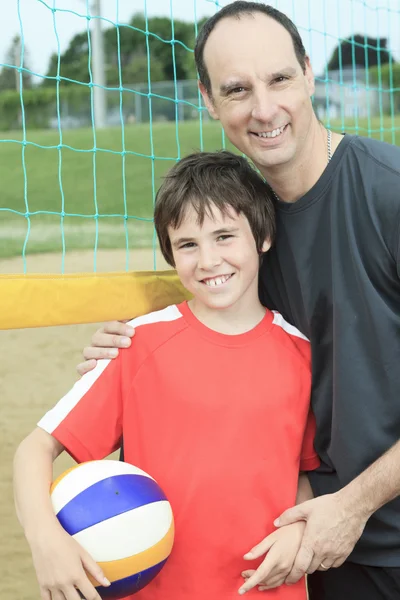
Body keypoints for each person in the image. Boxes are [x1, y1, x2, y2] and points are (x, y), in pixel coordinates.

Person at [78, 3, 400, 599]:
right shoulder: (240, 234)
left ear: (308, 72)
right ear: (207, 99)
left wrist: (353, 505)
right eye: (237, 89)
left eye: (279, 78)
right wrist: (124, 346)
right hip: (295, 549)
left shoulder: (388, 190)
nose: (263, 107)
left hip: (374, 535)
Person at [14, 151, 320, 600]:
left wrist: (301, 529)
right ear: (170, 252)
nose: (209, 260)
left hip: (266, 589)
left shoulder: (303, 354)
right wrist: (45, 541)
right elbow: (33, 450)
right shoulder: (137, 343)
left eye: (224, 236)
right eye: (188, 245)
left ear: (264, 236)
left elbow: (307, 471)